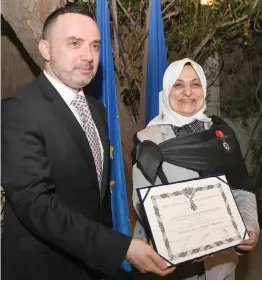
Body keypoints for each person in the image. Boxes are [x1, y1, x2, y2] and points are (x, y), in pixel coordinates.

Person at [1, 6, 176, 280]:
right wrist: (120, 248)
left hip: (91, 265)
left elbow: (95, 197)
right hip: (41, 269)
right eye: (74, 43)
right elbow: (37, 205)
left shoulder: (97, 110)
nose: (88, 56)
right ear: (45, 50)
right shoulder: (20, 110)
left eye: (95, 46)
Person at [132, 58, 260, 279]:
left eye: (195, 84)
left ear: (204, 88)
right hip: (175, 269)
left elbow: (241, 188)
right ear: (166, 90)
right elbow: (143, 202)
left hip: (221, 266)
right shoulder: (148, 140)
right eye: (178, 84)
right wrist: (186, 241)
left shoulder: (222, 134)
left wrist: (250, 225)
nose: (188, 92)